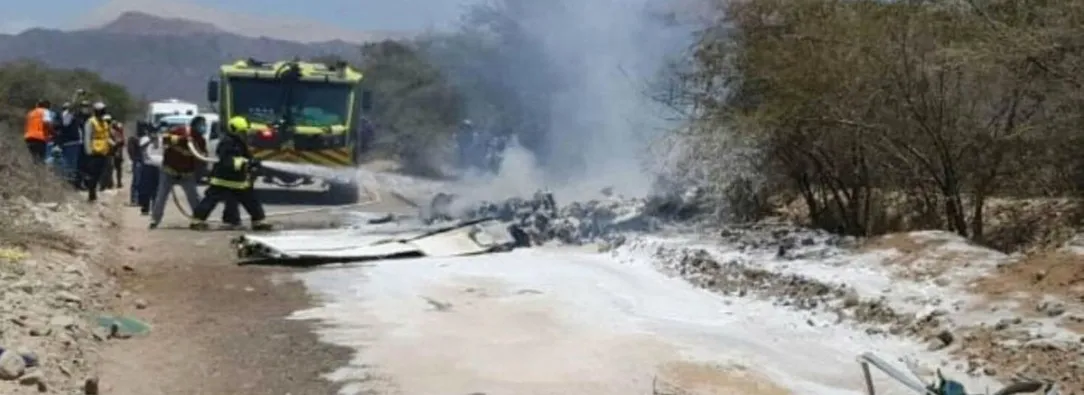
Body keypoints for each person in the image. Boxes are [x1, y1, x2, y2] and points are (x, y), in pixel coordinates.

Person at [190, 116, 271, 231]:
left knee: (251, 200)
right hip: (224, 179)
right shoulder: (227, 142)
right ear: (235, 130)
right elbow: (228, 160)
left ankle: (258, 221)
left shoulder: (239, 142)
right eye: (242, 131)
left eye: (245, 132)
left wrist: (253, 163)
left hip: (237, 179)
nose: (245, 134)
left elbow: (245, 157)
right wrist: (246, 162)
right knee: (211, 200)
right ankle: (197, 221)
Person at [149, 117, 209, 229]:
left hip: (187, 174)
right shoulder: (181, 131)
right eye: (201, 125)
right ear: (194, 125)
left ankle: (198, 219)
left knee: (194, 197)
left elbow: (202, 157)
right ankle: (155, 220)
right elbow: (165, 139)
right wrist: (181, 140)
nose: (203, 128)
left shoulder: (200, 141)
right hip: (169, 171)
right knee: (161, 196)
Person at [81, 102, 114, 202]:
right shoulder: (91, 122)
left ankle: (94, 191)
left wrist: (113, 144)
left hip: (103, 151)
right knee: (93, 174)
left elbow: (106, 136)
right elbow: (87, 137)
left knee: (100, 174)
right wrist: (88, 151)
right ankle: (91, 194)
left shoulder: (104, 123)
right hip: (94, 152)